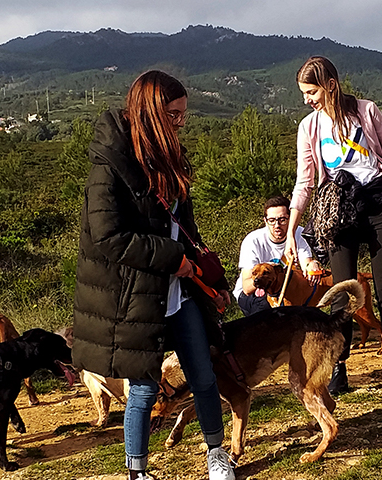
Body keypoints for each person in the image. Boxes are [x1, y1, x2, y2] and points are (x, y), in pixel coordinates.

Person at [72, 70, 235, 480]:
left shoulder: (169, 155)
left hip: (180, 292)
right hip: (134, 296)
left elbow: (186, 228)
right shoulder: (109, 165)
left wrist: (209, 278)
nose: (181, 123)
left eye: (183, 115)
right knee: (143, 389)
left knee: (202, 374)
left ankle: (217, 452)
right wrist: (171, 258)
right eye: (174, 114)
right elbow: (108, 237)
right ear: (150, 111)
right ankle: (137, 471)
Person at [288, 56, 382, 394]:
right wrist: (292, 229)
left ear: (330, 84)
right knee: (341, 293)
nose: (307, 99)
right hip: (338, 208)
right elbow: (305, 181)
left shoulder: (366, 111)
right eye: (304, 93)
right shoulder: (309, 126)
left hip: (377, 203)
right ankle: (339, 369)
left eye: (311, 91)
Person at [235, 196, 320, 316]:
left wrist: (312, 264)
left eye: (282, 219)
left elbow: (306, 265)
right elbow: (247, 288)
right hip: (254, 293)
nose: (277, 225)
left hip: (284, 290)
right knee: (268, 311)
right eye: (272, 220)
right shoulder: (252, 241)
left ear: (291, 219)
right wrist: (262, 277)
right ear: (265, 221)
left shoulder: (299, 233)